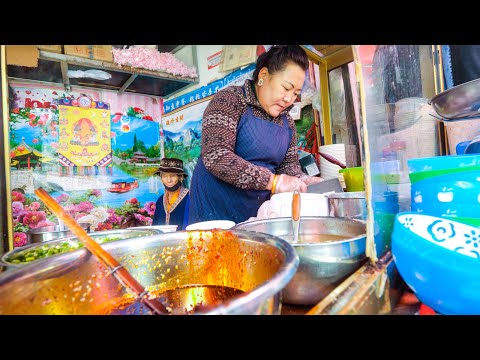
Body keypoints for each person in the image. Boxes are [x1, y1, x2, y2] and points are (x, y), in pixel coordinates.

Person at [188, 45, 323, 225]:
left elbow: (289, 169)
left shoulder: (287, 121)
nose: (289, 99)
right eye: (286, 88)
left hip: (257, 216)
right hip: (215, 211)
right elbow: (216, 156)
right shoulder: (230, 100)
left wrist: (304, 181)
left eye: (296, 93)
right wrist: (273, 182)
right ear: (263, 76)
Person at [152, 157, 190, 230]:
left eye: (172, 176)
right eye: (165, 176)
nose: (169, 180)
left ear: (180, 177)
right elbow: (155, 228)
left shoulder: (189, 198)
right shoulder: (160, 201)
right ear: (161, 178)